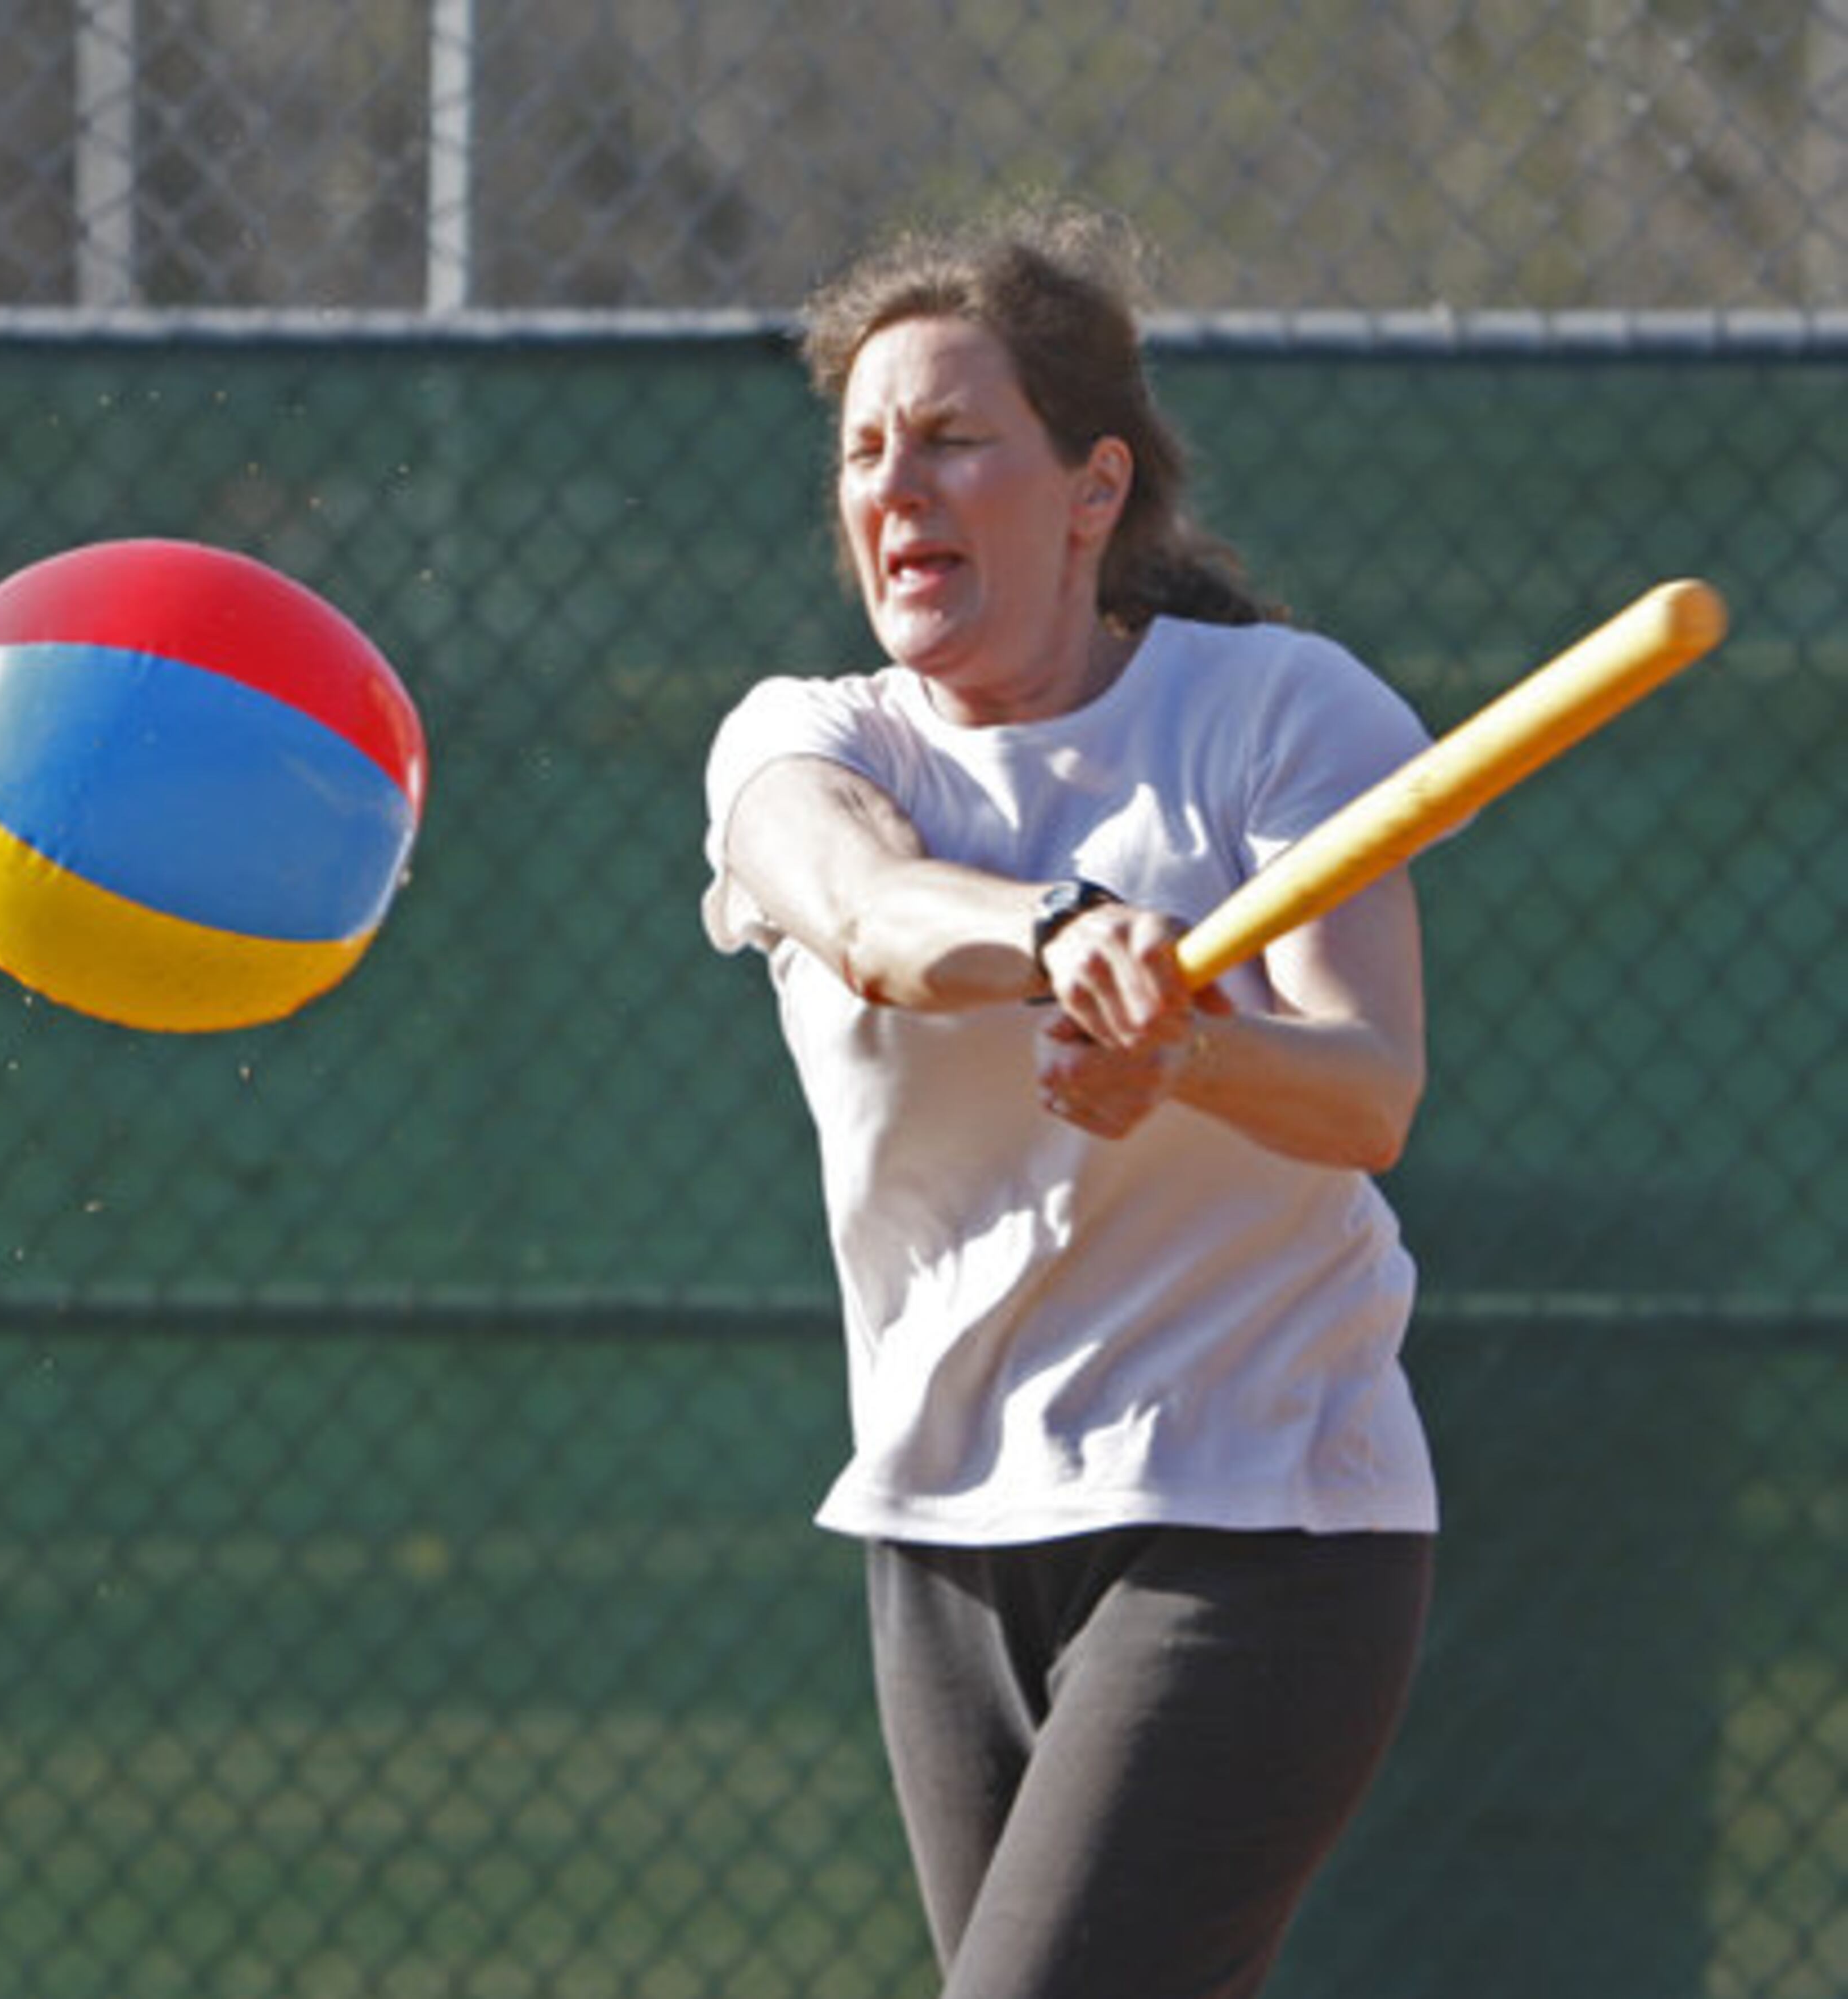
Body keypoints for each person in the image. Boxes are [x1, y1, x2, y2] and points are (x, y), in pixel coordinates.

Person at [700, 202, 1437, 1999]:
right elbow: (871, 917)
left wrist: (1188, 1052)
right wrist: (1065, 930)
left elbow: (1364, 1097)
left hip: (1262, 1513)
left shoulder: (1278, 714)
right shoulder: (806, 740)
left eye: (956, 441)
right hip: (945, 1529)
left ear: (1093, 489)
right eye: (866, 451)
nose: (899, 490)